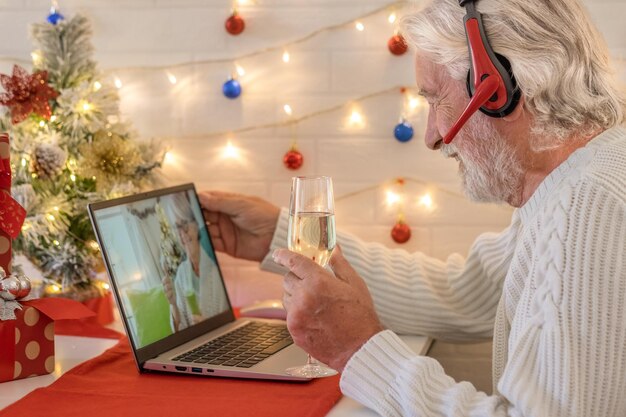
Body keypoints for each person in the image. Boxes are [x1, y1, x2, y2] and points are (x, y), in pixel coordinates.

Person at [199, 0, 626, 415]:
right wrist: (277, 236)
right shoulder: (573, 185)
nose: (432, 136)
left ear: (496, 88)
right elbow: (466, 292)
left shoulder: (587, 206)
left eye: (436, 99)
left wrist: (357, 350)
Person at [161, 192, 228, 331]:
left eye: (184, 224)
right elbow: (181, 330)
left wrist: (207, 326)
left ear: (197, 225)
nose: (182, 233)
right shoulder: (181, 273)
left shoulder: (215, 268)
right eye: (176, 227)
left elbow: (227, 327)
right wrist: (173, 304)